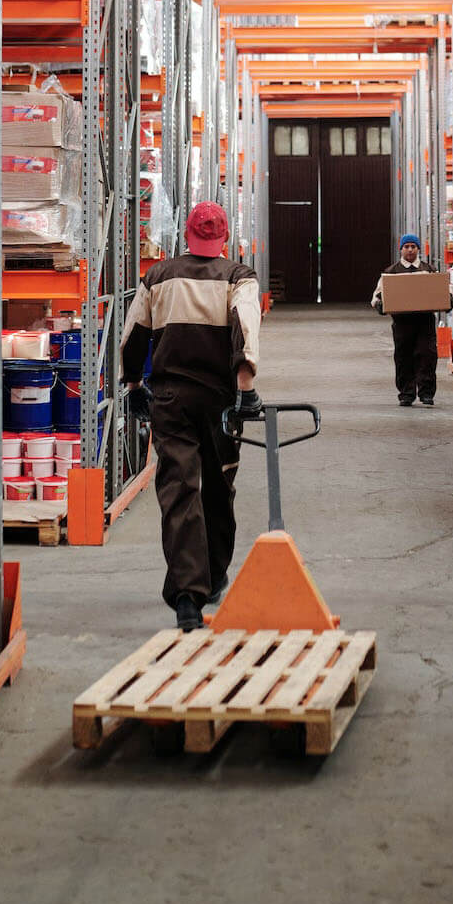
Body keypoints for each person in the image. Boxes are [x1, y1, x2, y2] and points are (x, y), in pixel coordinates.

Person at [120, 200, 263, 631]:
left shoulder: (157, 276)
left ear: (186, 234)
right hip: (221, 402)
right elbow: (244, 328)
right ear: (225, 236)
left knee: (180, 489)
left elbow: (134, 334)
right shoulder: (239, 277)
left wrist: (134, 384)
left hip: (171, 400)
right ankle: (213, 577)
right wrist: (246, 388)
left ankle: (187, 594)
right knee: (218, 486)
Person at [372, 234, 440, 408]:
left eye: (413, 246)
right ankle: (406, 394)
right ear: (401, 249)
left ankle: (426, 393)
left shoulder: (429, 270)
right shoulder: (391, 272)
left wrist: (449, 301)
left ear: (418, 249)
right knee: (403, 358)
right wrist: (381, 305)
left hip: (425, 322)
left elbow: (444, 291)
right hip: (402, 323)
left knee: (427, 355)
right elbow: (377, 296)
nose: (410, 250)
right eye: (406, 246)